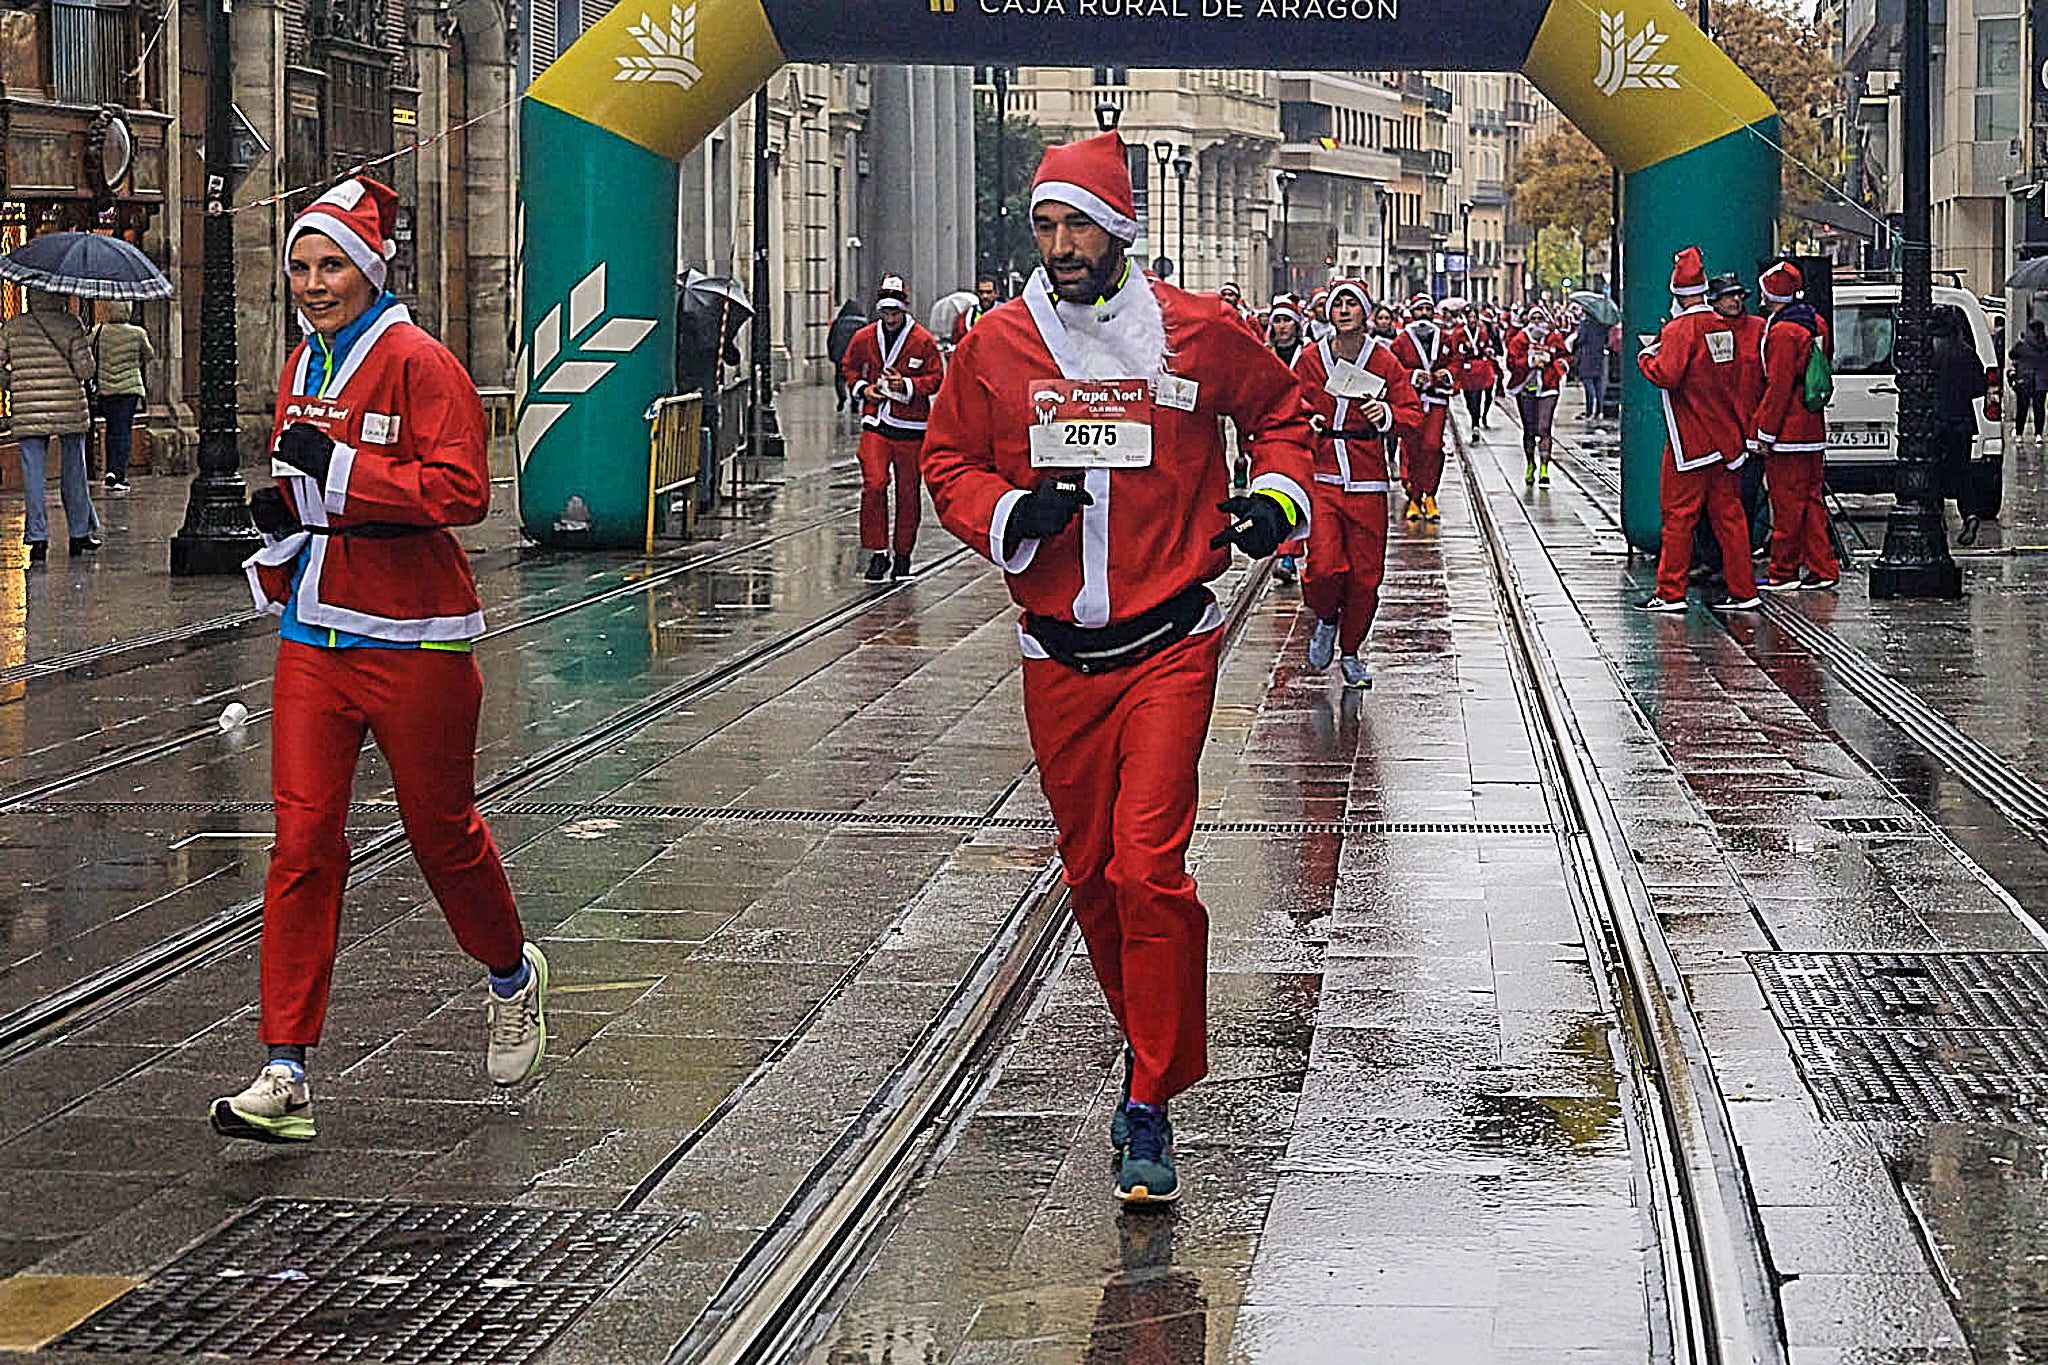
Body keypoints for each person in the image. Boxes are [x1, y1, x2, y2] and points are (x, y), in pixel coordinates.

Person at [922, 131, 1314, 1205]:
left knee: (1148, 870)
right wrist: (1006, 512)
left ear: (1120, 231)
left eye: (1077, 226)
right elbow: (945, 460)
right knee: (1091, 876)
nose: (1059, 246)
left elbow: (1282, 415)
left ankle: (1148, 1097)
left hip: (1169, 645)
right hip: (1056, 654)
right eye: (1045, 227)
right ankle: (1149, 1043)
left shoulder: (1196, 333)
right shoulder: (996, 346)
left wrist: (1272, 501)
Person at [214, 177, 545, 1144]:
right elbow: (301, 480)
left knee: (441, 832)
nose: (314, 284)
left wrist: (342, 476)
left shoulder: (420, 360)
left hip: (417, 635)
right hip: (316, 634)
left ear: (367, 270)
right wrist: (282, 521)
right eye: (301, 268)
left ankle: (511, 974)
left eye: (331, 266)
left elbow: (465, 491)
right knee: (301, 841)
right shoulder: (301, 363)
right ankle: (285, 1066)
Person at [1291, 278, 1423, 689]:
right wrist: (1306, 420)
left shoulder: (1383, 360)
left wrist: (1387, 415)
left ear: (1366, 312)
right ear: (1327, 312)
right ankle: (1327, 618)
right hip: (1324, 475)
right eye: (1337, 304)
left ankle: (1351, 651)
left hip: (1367, 480)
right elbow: (1289, 402)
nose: (1344, 310)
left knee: (1366, 576)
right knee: (1324, 566)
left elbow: (1412, 412)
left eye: (1352, 304)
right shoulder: (1310, 359)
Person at [1634, 247, 1761, 613]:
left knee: (1678, 516)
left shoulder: (1679, 328)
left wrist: (1646, 357)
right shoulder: (1724, 327)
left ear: (1676, 294)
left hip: (1689, 440)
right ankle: (1743, 589)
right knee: (1730, 517)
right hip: (1726, 440)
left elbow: (1668, 374)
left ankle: (1670, 592)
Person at [840, 274, 944, 581]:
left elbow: (936, 378)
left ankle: (903, 554)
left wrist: (908, 385)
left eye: (894, 313)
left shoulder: (923, 340)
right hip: (876, 422)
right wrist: (862, 388)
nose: (889, 318)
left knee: (908, 493)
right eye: (885, 312)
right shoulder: (864, 337)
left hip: (911, 427)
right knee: (874, 484)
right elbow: (849, 366)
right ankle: (876, 551)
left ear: (904, 310)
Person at [1751, 261, 1840, 591]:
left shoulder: (1784, 332)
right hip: (1812, 426)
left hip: (1788, 431)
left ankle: (1783, 570)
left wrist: (1765, 432)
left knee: (1786, 504)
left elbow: (1779, 385)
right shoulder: (1815, 323)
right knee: (1812, 500)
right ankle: (1822, 566)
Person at [1, 287, 99, 561]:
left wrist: (14, 384)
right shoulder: (71, 324)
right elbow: (85, 370)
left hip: (30, 407)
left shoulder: (14, 326)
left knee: (33, 473)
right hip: (68, 407)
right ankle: (79, 533)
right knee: (74, 469)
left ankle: (38, 537)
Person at [1391, 294, 1454, 523]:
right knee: (1411, 447)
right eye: (1420, 310)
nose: (1424, 314)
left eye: (1428, 309)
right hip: (1411, 401)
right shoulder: (1400, 342)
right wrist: (1413, 376)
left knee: (1433, 446)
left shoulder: (1445, 339)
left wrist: (1446, 375)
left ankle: (1430, 493)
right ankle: (1414, 496)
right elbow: (1393, 371)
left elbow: (1455, 363)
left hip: (1436, 400)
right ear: (1412, 313)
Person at [1931, 306, 1991, 545]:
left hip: (1934, 421)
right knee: (1962, 471)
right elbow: (1979, 386)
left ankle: (1937, 519)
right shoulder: (1965, 351)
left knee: (1932, 472)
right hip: (1962, 422)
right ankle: (1970, 513)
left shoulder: (1926, 351)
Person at [90, 301, 153, 495]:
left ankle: (110, 470)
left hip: (107, 388)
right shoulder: (137, 333)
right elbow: (149, 354)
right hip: (129, 389)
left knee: (110, 430)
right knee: (123, 431)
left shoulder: (99, 330)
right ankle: (120, 473)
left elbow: (88, 349)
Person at [1506, 305, 1568, 485]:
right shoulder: (1520, 339)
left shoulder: (1553, 338)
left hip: (1548, 388)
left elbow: (1565, 357)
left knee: (1544, 427)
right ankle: (1530, 463)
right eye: (1533, 319)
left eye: (1540, 319)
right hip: (1526, 388)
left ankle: (1544, 467)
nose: (1537, 323)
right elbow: (1512, 362)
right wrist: (1531, 362)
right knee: (1529, 430)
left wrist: (1555, 363)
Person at [2010, 318, 2048, 441]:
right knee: (2039, 408)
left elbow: (2012, 354)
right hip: (2041, 381)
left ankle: (2019, 434)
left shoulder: (2023, 343)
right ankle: (2038, 434)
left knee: (2022, 407)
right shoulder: (2046, 344)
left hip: (2024, 379)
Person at [1575, 305, 1610, 420]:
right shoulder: (1602, 325)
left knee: (1588, 383)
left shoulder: (1585, 325)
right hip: (1598, 355)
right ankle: (1599, 410)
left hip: (1587, 356)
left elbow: (1580, 339)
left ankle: (1590, 410)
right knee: (1598, 384)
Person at [953, 273, 1001, 345]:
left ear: (996, 293)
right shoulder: (967, 316)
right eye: (981, 292)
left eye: (989, 292)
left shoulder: (1005, 313)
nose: (985, 296)